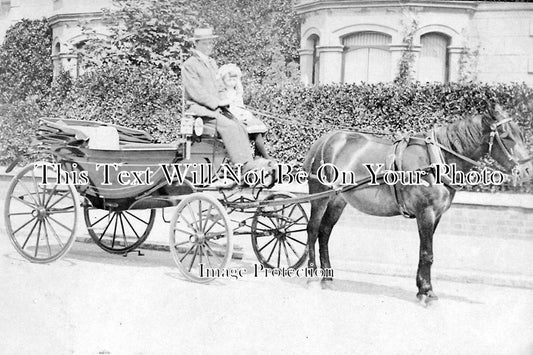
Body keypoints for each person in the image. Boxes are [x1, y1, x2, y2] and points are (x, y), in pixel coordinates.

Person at [182, 27, 271, 174]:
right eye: (205, 43)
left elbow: (219, 87)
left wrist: (227, 100)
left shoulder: (211, 63)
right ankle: (242, 165)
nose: (209, 46)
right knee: (229, 127)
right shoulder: (189, 65)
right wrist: (217, 103)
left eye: (210, 43)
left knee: (240, 125)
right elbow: (196, 92)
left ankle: (248, 162)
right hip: (199, 110)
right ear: (196, 44)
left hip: (214, 110)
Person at [218, 63, 270, 159]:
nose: (232, 82)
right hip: (230, 115)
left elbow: (240, 106)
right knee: (249, 127)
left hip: (241, 113)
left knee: (259, 128)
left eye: (234, 80)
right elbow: (220, 104)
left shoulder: (236, 93)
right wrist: (228, 102)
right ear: (223, 80)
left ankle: (259, 155)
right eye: (229, 80)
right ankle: (258, 156)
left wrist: (242, 111)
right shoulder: (222, 93)